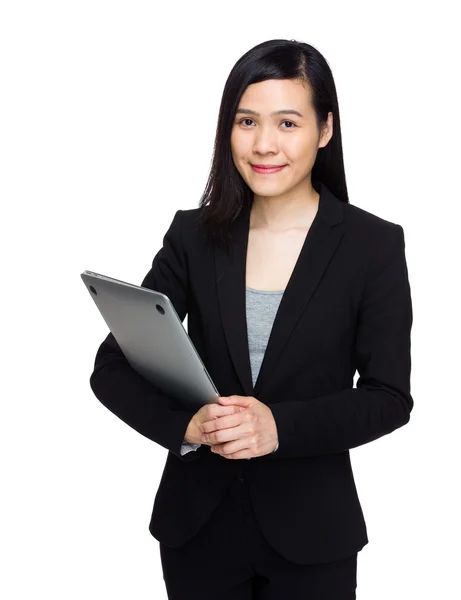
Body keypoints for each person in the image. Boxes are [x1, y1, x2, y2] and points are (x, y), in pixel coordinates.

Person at [89, 38, 414, 600]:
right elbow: (112, 366)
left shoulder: (372, 246)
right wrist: (188, 428)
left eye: (288, 123)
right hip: (197, 530)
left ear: (325, 128)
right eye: (247, 121)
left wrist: (277, 427)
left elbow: (388, 397)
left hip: (313, 533)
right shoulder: (193, 236)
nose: (264, 144)